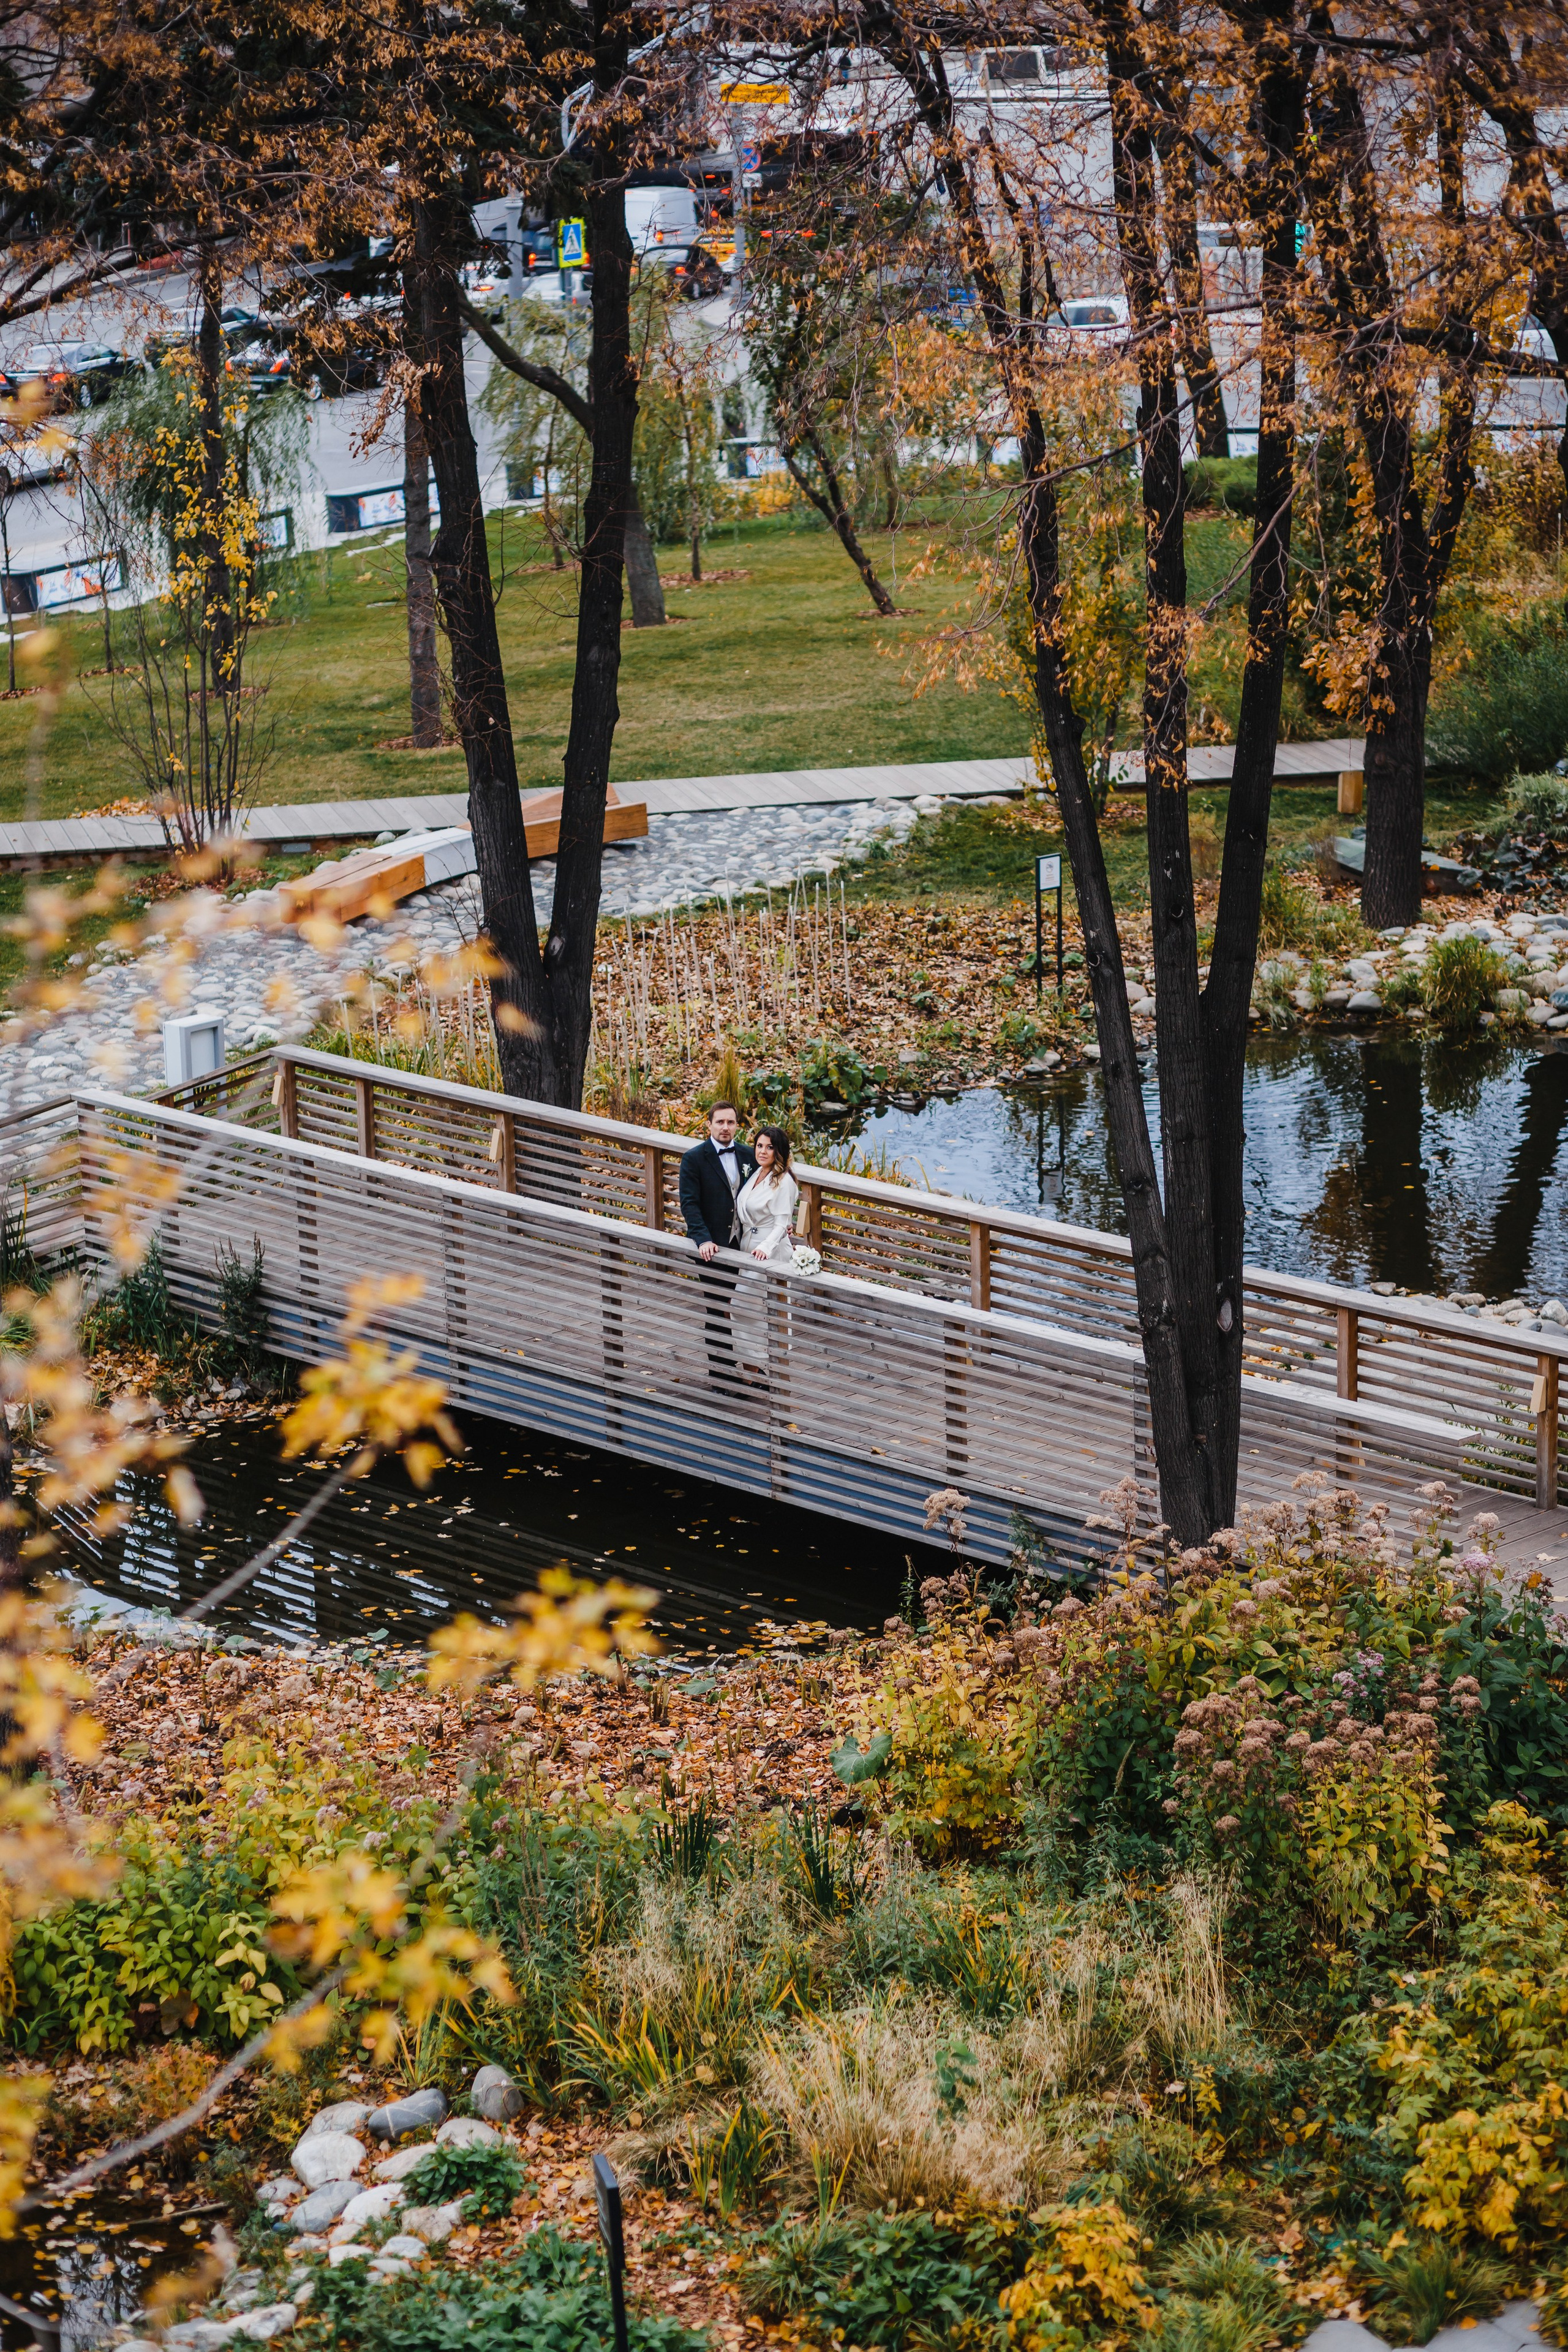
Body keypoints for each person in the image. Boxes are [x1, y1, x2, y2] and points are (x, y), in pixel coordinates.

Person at [679, 1101, 756, 1392]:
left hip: (745, 1245)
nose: (726, 1128)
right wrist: (703, 1239)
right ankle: (721, 1375)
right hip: (711, 1248)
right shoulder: (694, 1159)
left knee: (746, 1308)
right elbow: (689, 1203)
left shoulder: (749, 1155)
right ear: (709, 1125)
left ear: (737, 1125)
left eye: (731, 1123)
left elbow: (762, 1194)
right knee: (718, 1309)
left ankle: (751, 1373)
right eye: (720, 1122)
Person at [731, 1126, 801, 1372]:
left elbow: (783, 1223)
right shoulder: (758, 1173)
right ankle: (753, 1370)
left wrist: (765, 1248)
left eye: (769, 1147)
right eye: (760, 1146)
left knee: (749, 1307)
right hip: (747, 1248)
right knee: (748, 1309)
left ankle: (770, 1365)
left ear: (779, 1151)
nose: (763, 1151)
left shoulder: (784, 1182)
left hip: (769, 1252)